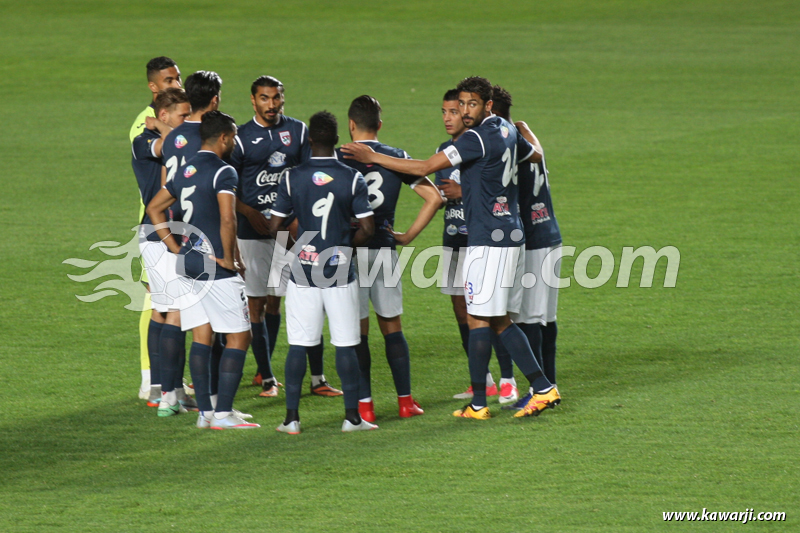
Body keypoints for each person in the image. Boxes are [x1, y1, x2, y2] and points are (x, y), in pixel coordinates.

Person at [341, 76, 560, 419]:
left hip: (490, 239)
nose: (464, 110)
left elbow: (426, 167)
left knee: (479, 318)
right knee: (496, 318)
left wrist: (374, 157)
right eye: (462, 104)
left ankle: (529, 391)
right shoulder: (506, 129)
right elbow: (535, 155)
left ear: (488, 105)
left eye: (472, 104)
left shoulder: (476, 137)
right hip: (507, 232)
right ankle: (502, 396)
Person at [147, 111, 259, 430]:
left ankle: (205, 412)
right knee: (240, 336)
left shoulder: (186, 170)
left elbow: (155, 208)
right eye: (234, 136)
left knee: (201, 335)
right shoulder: (224, 172)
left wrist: (175, 247)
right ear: (223, 137)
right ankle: (223, 413)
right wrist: (228, 258)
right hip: (215, 266)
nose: (235, 142)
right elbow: (228, 219)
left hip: (188, 262)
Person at [336, 95, 443, 422]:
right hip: (383, 248)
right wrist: (408, 236)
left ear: (351, 124)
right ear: (379, 125)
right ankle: (405, 402)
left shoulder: (338, 158)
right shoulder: (396, 157)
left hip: (350, 251)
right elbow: (434, 197)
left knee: (358, 332)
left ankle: (365, 406)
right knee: (392, 326)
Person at [269, 111, 377, 434]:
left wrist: (299, 247)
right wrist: (345, 246)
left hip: (303, 272)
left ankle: (291, 419)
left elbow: (275, 225)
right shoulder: (352, 177)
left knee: (299, 345)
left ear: (310, 140)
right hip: (340, 271)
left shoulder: (291, 177)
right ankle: (352, 419)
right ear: (336, 140)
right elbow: (369, 228)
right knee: (346, 344)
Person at [230, 76, 336, 398]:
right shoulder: (241, 138)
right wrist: (248, 212)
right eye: (265, 98)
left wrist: (298, 220)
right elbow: (228, 188)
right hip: (253, 231)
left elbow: (309, 177)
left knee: (287, 300)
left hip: (289, 232)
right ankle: (267, 379)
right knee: (257, 305)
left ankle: (300, 376)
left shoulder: (299, 131)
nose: (272, 104)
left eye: (276, 98)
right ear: (253, 101)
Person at [436, 89, 518, 404]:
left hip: (486, 240)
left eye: (454, 111)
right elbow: (436, 194)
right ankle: (481, 381)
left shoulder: (485, 144)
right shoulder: (445, 150)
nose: (448, 117)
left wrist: (463, 191)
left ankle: (508, 379)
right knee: (464, 312)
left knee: (493, 313)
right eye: (444, 111)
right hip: (456, 239)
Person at [490, 86, 562, 410]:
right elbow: (539, 154)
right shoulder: (529, 142)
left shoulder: (505, 145)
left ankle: (540, 390)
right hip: (551, 233)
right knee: (547, 318)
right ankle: (551, 383)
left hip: (531, 240)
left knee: (529, 321)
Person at [156, 71, 223, 414]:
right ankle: (211, 400)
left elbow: (167, 188)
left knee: (175, 314)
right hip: (207, 236)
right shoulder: (216, 137)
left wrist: (172, 240)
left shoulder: (171, 138)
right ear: (214, 101)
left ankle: (168, 394)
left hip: (176, 234)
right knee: (210, 323)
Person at [132, 88, 190, 408]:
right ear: (164, 115)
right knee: (172, 312)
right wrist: (163, 126)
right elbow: (171, 144)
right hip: (158, 233)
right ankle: (168, 390)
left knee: (163, 309)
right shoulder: (144, 138)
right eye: (182, 115)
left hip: (169, 231)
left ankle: (161, 388)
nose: (187, 121)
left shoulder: (163, 128)